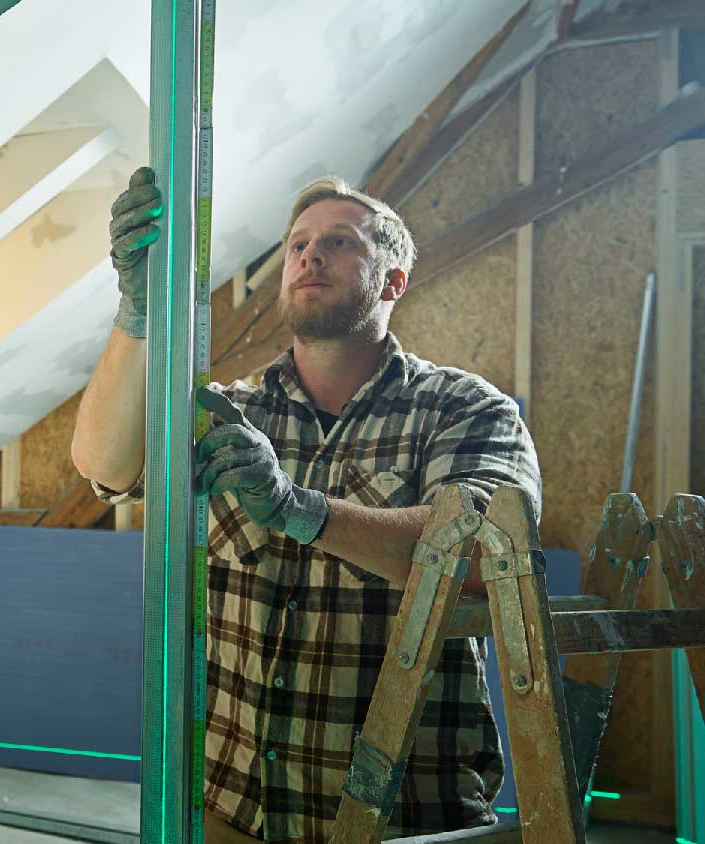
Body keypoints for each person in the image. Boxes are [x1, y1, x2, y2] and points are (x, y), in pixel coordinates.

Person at [71, 169, 542, 843]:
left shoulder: (464, 410)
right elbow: (104, 466)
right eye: (296, 244)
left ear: (393, 280)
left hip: (403, 823)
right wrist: (137, 315)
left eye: (339, 242)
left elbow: (484, 557)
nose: (308, 256)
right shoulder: (232, 413)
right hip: (235, 814)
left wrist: (300, 508)